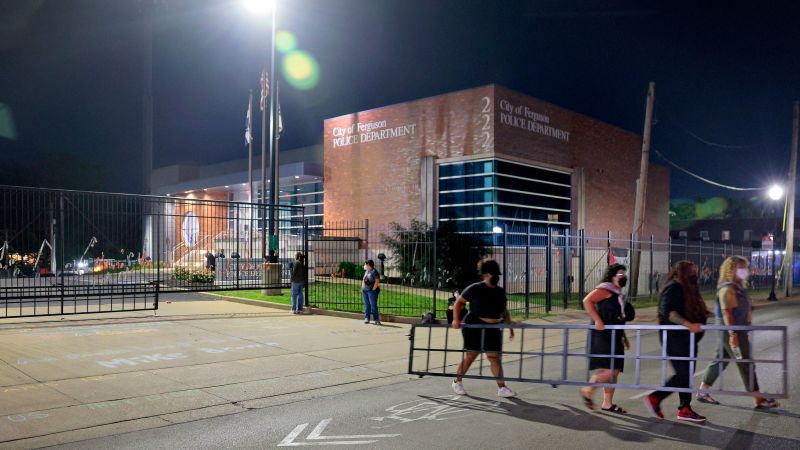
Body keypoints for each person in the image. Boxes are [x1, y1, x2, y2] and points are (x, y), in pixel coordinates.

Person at [696, 256, 780, 409]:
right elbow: (727, 313)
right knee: (746, 362)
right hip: (732, 331)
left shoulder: (738, 287)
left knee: (720, 360)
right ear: (731, 270)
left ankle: (702, 392)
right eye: (741, 268)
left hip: (734, 330)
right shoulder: (728, 288)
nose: (745, 271)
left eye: (745, 267)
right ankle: (758, 398)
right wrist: (733, 335)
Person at [644, 261, 711, 422]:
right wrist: (689, 325)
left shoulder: (688, 288)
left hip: (688, 338)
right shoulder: (674, 287)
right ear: (683, 272)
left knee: (687, 373)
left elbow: (689, 309)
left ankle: (685, 408)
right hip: (675, 338)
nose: (696, 274)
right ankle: (655, 398)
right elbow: (669, 313)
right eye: (692, 271)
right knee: (683, 374)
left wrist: (707, 314)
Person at [451, 258, 516, 398]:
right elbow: (459, 303)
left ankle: (502, 388)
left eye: (497, 274)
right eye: (494, 274)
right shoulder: (476, 288)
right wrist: (456, 320)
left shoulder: (500, 291)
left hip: (493, 328)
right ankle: (457, 382)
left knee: (494, 357)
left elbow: (504, 311)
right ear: (486, 275)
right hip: (474, 325)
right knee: (471, 355)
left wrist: (510, 327)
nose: (496, 277)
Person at [580, 263, 634, 414]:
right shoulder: (605, 289)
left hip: (615, 336)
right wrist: (597, 320)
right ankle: (588, 390)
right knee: (611, 370)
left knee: (614, 372)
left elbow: (618, 317)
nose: (623, 277)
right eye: (620, 275)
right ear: (612, 276)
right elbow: (587, 301)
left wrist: (624, 336)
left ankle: (607, 403)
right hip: (602, 335)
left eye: (624, 275)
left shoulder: (618, 294)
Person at [362, 259, 381, 325]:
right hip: (365, 290)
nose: (364, 266)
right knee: (367, 305)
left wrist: (373, 289)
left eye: (366, 264)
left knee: (373, 305)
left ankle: (376, 319)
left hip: (371, 291)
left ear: (369, 265)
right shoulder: (367, 271)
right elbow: (364, 279)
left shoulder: (374, 272)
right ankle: (367, 318)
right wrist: (362, 288)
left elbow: (377, 281)